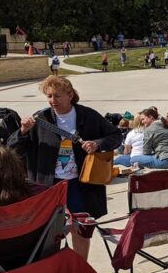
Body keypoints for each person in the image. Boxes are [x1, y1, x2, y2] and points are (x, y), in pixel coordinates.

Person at [7, 75, 122, 260]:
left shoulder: (88, 116)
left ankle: (80, 266)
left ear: (70, 95)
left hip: (80, 184)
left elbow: (116, 136)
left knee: (81, 228)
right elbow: (12, 149)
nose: (53, 101)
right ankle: (55, 271)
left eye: (57, 96)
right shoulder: (40, 119)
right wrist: (23, 132)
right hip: (49, 186)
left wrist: (98, 144)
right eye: (49, 96)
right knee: (49, 231)